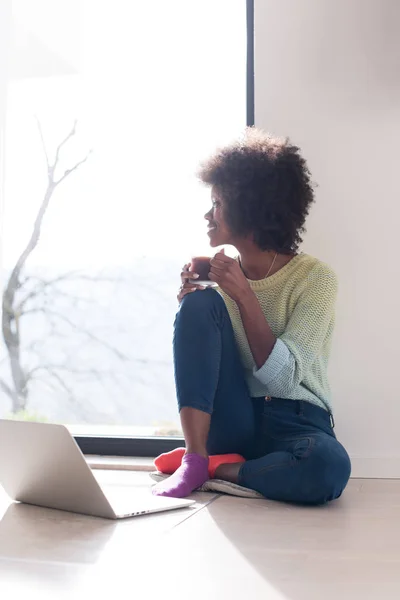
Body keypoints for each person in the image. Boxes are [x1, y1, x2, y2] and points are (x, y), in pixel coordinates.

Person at [152, 128, 351, 505]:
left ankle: (216, 468)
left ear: (250, 207)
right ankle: (196, 457)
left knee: (328, 466)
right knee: (199, 305)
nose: (208, 215)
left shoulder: (316, 279)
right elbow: (208, 364)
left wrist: (243, 293)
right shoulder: (220, 283)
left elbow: (283, 379)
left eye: (217, 204)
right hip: (236, 419)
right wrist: (194, 305)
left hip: (298, 421)